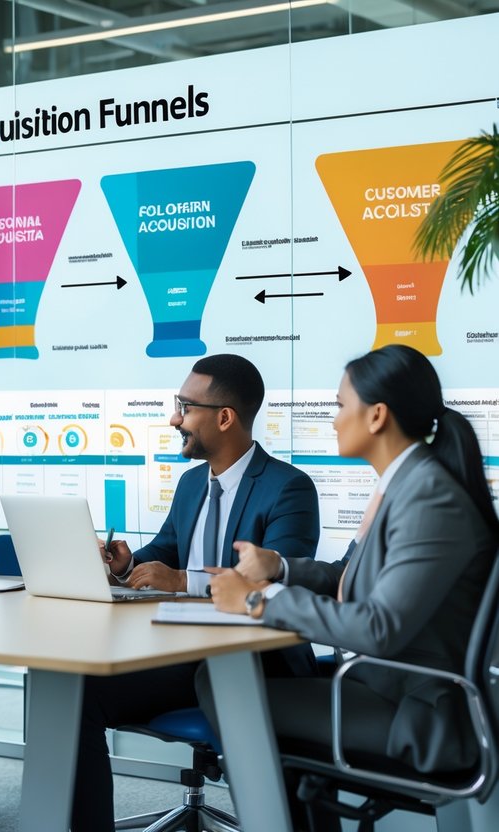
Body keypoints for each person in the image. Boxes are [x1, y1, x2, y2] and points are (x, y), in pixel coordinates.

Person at [206, 344, 499, 830]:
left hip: (417, 711)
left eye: (342, 404)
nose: (334, 417)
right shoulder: (405, 484)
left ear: (377, 415)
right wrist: (277, 568)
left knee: (224, 689)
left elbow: (379, 627)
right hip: (385, 685)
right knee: (237, 683)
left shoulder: (428, 496)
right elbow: (349, 577)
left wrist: (259, 600)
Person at [74, 353, 321, 831]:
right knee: (78, 693)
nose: (174, 418)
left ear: (224, 417)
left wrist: (182, 580)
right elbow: (166, 551)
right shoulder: (191, 485)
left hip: (256, 662)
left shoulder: (288, 488)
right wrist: (127, 565)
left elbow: (277, 581)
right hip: (185, 657)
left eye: (184, 407)